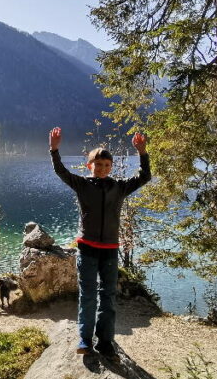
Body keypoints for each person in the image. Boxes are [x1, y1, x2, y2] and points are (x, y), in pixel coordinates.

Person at [49, 127, 151, 358]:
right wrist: (54, 150)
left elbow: (144, 176)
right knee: (87, 295)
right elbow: (61, 172)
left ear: (111, 167)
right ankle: (85, 340)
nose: (102, 168)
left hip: (110, 250)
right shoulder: (82, 184)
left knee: (108, 297)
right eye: (98, 164)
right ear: (89, 166)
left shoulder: (120, 187)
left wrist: (142, 153)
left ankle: (105, 342)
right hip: (87, 248)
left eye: (107, 165)